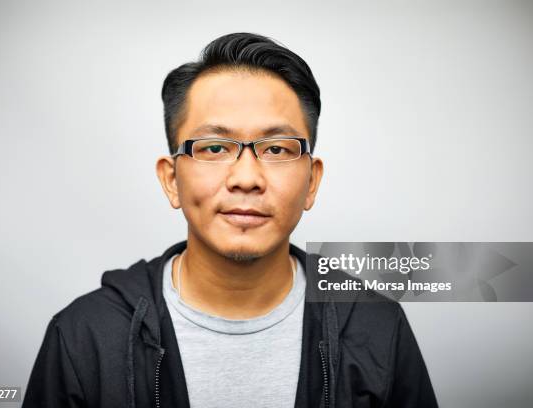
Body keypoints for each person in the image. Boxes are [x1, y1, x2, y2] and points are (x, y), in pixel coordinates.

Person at [22, 32, 438, 408]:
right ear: (171, 180)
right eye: (215, 147)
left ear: (311, 181)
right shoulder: (85, 335)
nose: (246, 178)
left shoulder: (377, 326)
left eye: (276, 150)